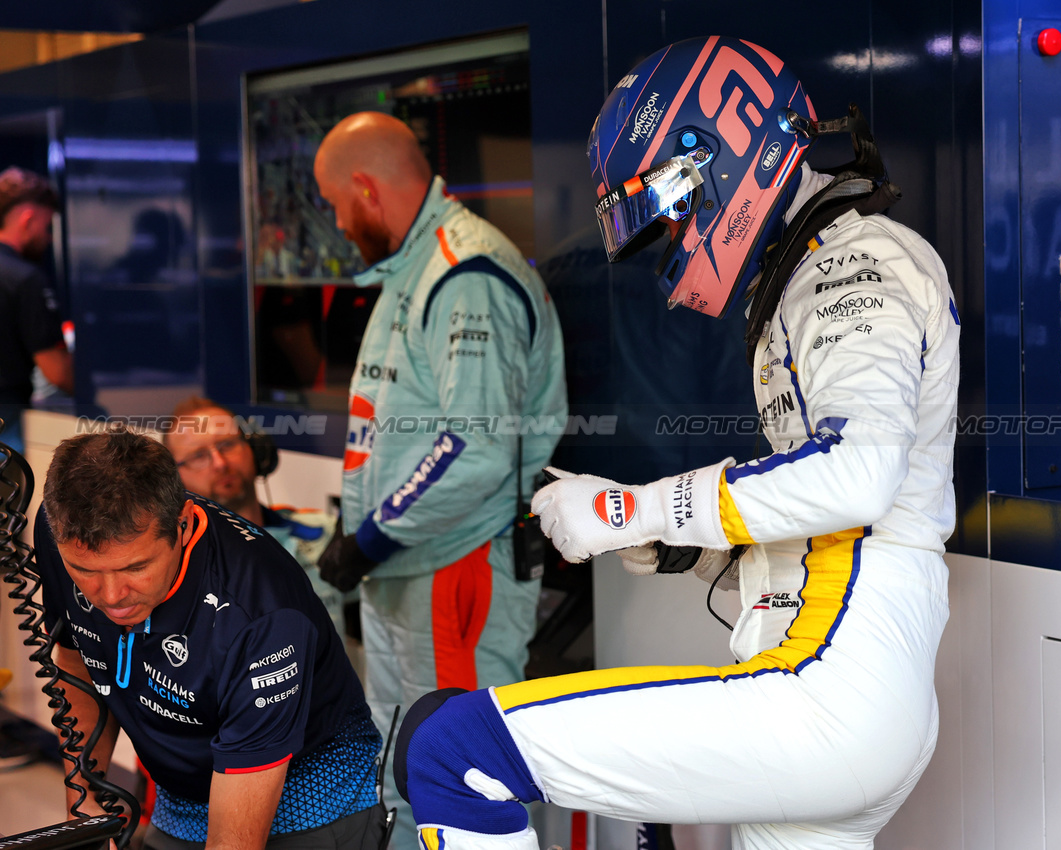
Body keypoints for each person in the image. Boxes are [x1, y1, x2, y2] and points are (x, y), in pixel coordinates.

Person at [390, 36, 960, 850]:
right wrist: (685, 552)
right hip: (844, 688)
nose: (675, 234)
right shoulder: (818, 267)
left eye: (672, 207)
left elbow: (858, 475)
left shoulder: (855, 265)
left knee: (452, 748)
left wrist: (629, 508)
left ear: (718, 151)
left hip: (828, 691)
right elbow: (838, 540)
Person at [311, 112, 568, 850]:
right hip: (407, 568)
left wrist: (368, 536)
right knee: (407, 763)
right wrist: (357, 536)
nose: (335, 220)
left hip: (456, 567)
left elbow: (476, 447)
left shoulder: (466, 275)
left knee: (464, 777)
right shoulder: (413, 270)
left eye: (335, 202)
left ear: (364, 187)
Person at [35, 430, 388, 850]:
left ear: (182, 524)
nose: (110, 596)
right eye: (86, 571)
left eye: (135, 567)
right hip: (182, 796)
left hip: (309, 804)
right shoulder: (62, 528)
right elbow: (78, 664)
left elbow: (234, 843)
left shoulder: (261, 613)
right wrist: (85, 810)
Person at [163, 397, 345, 635]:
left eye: (227, 445)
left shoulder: (322, 533)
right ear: (176, 480)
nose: (219, 463)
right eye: (198, 456)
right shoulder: (176, 568)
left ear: (255, 448)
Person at [0, 167, 72, 452]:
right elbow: (57, 372)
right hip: (6, 419)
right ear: (28, 219)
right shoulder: (25, 278)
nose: (49, 238)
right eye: (47, 227)